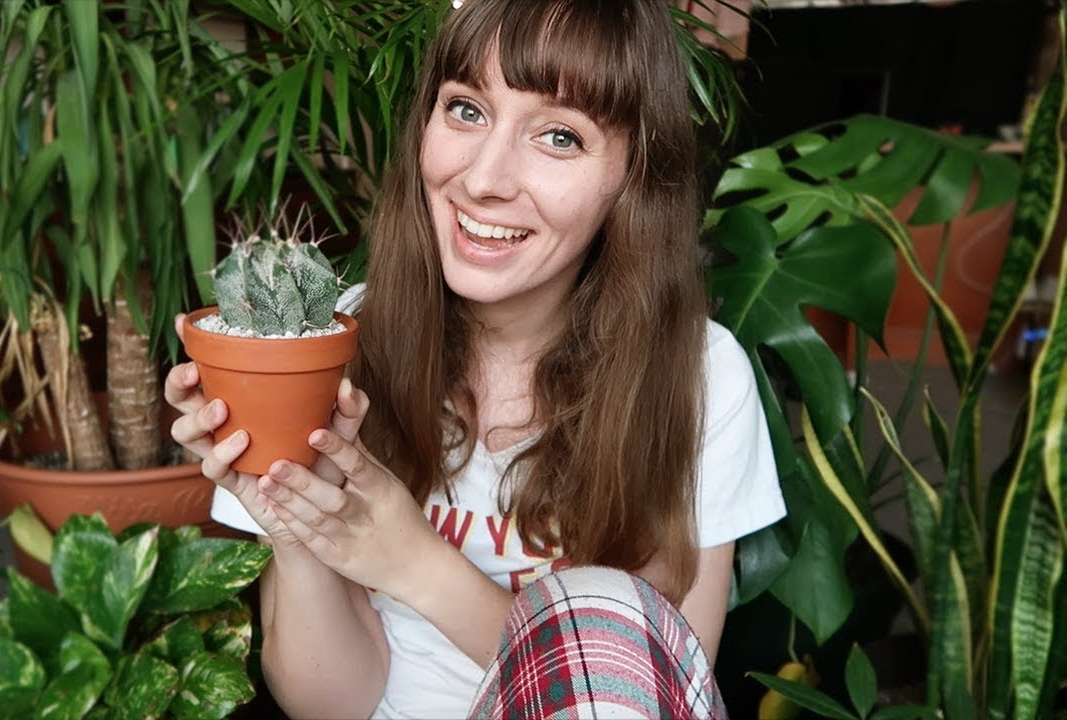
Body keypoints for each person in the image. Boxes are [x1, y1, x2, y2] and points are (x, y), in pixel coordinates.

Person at [166, 0, 785, 717]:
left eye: (559, 136)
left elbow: (650, 696)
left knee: (609, 604)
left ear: (633, 176)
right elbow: (330, 705)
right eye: (466, 110)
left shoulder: (700, 376)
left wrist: (413, 562)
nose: (485, 178)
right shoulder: (330, 342)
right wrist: (295, 521)